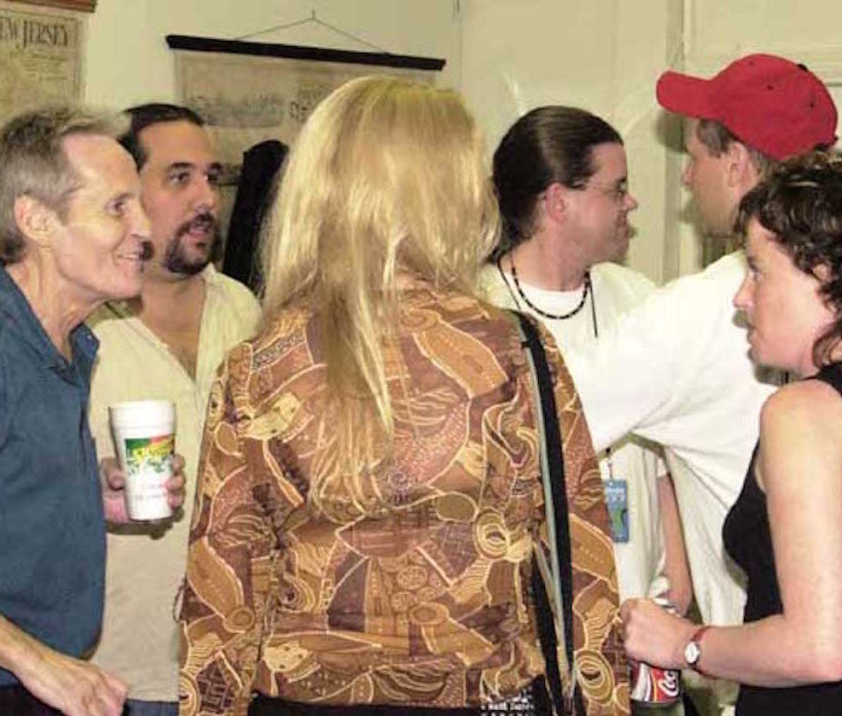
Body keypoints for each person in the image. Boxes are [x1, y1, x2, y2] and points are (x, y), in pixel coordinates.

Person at [178, 76, 630, 716]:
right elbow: (582, 563)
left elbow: (221, 600)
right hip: (484, 695)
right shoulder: (515, 352)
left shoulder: (259, 365)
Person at [621, 153, 842, 715]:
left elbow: (819, 647)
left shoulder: (803, 413)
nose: (741, 297)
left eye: (757, 270)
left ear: (825, 278)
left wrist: (682, 643)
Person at [562, 54, 838, 711]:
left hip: (769, 672)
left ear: (737, 163)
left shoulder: (701, 311)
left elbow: (545, 418)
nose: (685, 177)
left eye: (694, 156)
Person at [0, 106, 179, 716]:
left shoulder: (69, 341)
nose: (145, 229)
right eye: (117, 207)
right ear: (37, 221)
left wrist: (86, 500)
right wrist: (34, 660)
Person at [480, 106, 691, 616]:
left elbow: (663, 458)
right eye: (616, 188)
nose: (631, 201)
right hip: (530, 621)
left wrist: (679, 582)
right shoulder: (476, 309)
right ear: (558, 202)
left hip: (642, 614)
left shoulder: (640, 299)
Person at [87, 104, 261, 716]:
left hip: (233, 666)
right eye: (179, 177)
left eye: (213, 178)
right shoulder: (82, 331)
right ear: (126, 195)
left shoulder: (245, 312)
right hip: (110, 678)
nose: (206, 199)